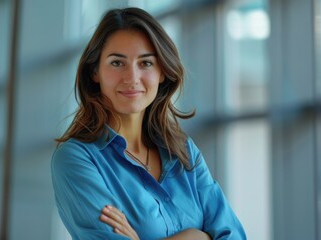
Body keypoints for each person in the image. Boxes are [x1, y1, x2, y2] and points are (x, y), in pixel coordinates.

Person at [51, 7, 246, 240]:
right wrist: (197, 236)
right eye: (117, 63)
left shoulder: (184, 152)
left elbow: (234, 235)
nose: (132, 78)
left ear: (162, 71)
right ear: (95, 71)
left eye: (145, 63)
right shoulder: (76, 159)